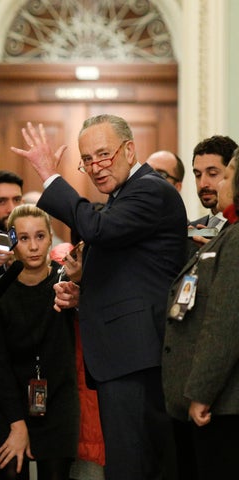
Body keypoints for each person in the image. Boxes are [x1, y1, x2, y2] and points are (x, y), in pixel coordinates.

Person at [12, 115, 187, 479]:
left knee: (134, 465)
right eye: (87, 159)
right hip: (123, 356)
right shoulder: (122, 196)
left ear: (129, 149)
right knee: (128, 463)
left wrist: (49, 175)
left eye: (103, 155)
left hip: (138, 356)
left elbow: (96, 228)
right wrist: (81, 290)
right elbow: (131, 271)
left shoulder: (150, 189)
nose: (95, 167)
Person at [0, 205, 78, 480]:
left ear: (50, 238)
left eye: (40, 236)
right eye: (23, 238)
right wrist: (17, 424)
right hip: (7, 405)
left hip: (58, 401)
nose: (33, 246)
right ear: (11, 240)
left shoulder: (67, 284)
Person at [163, 146, 239, 480]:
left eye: (223, 175)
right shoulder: (195, 232)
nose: (214, 184)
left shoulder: (234, 238)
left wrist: (201, 393)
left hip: (223, 402)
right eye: (198, 173)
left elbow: (224, 323)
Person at [189, 135, 238, 230]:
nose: (202, 184)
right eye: (198, 175)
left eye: (212, 174)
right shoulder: (190, 231)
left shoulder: (235, 230)